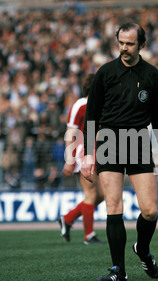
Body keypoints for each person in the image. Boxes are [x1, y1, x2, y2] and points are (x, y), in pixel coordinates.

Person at [81, 22, 158, 281]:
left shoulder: (151, 74)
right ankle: (118, 271)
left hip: (139, 142)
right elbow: (91, 115)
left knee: (150, 211)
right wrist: (89, 154)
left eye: (130, 43)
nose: (124, 48)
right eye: (121, 42)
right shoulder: (105, 72)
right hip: (109, 140)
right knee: (113, 206)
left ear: (141, 45)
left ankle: (142, 250)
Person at [58, 73, 104, 245]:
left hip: (97, 153)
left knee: (101, 194)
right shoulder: (80, 105)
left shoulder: (100, 105)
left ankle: (68, 218)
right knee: (91, 194)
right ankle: (88, 235)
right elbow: (71, 132)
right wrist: (69, 160)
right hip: (82, 154)